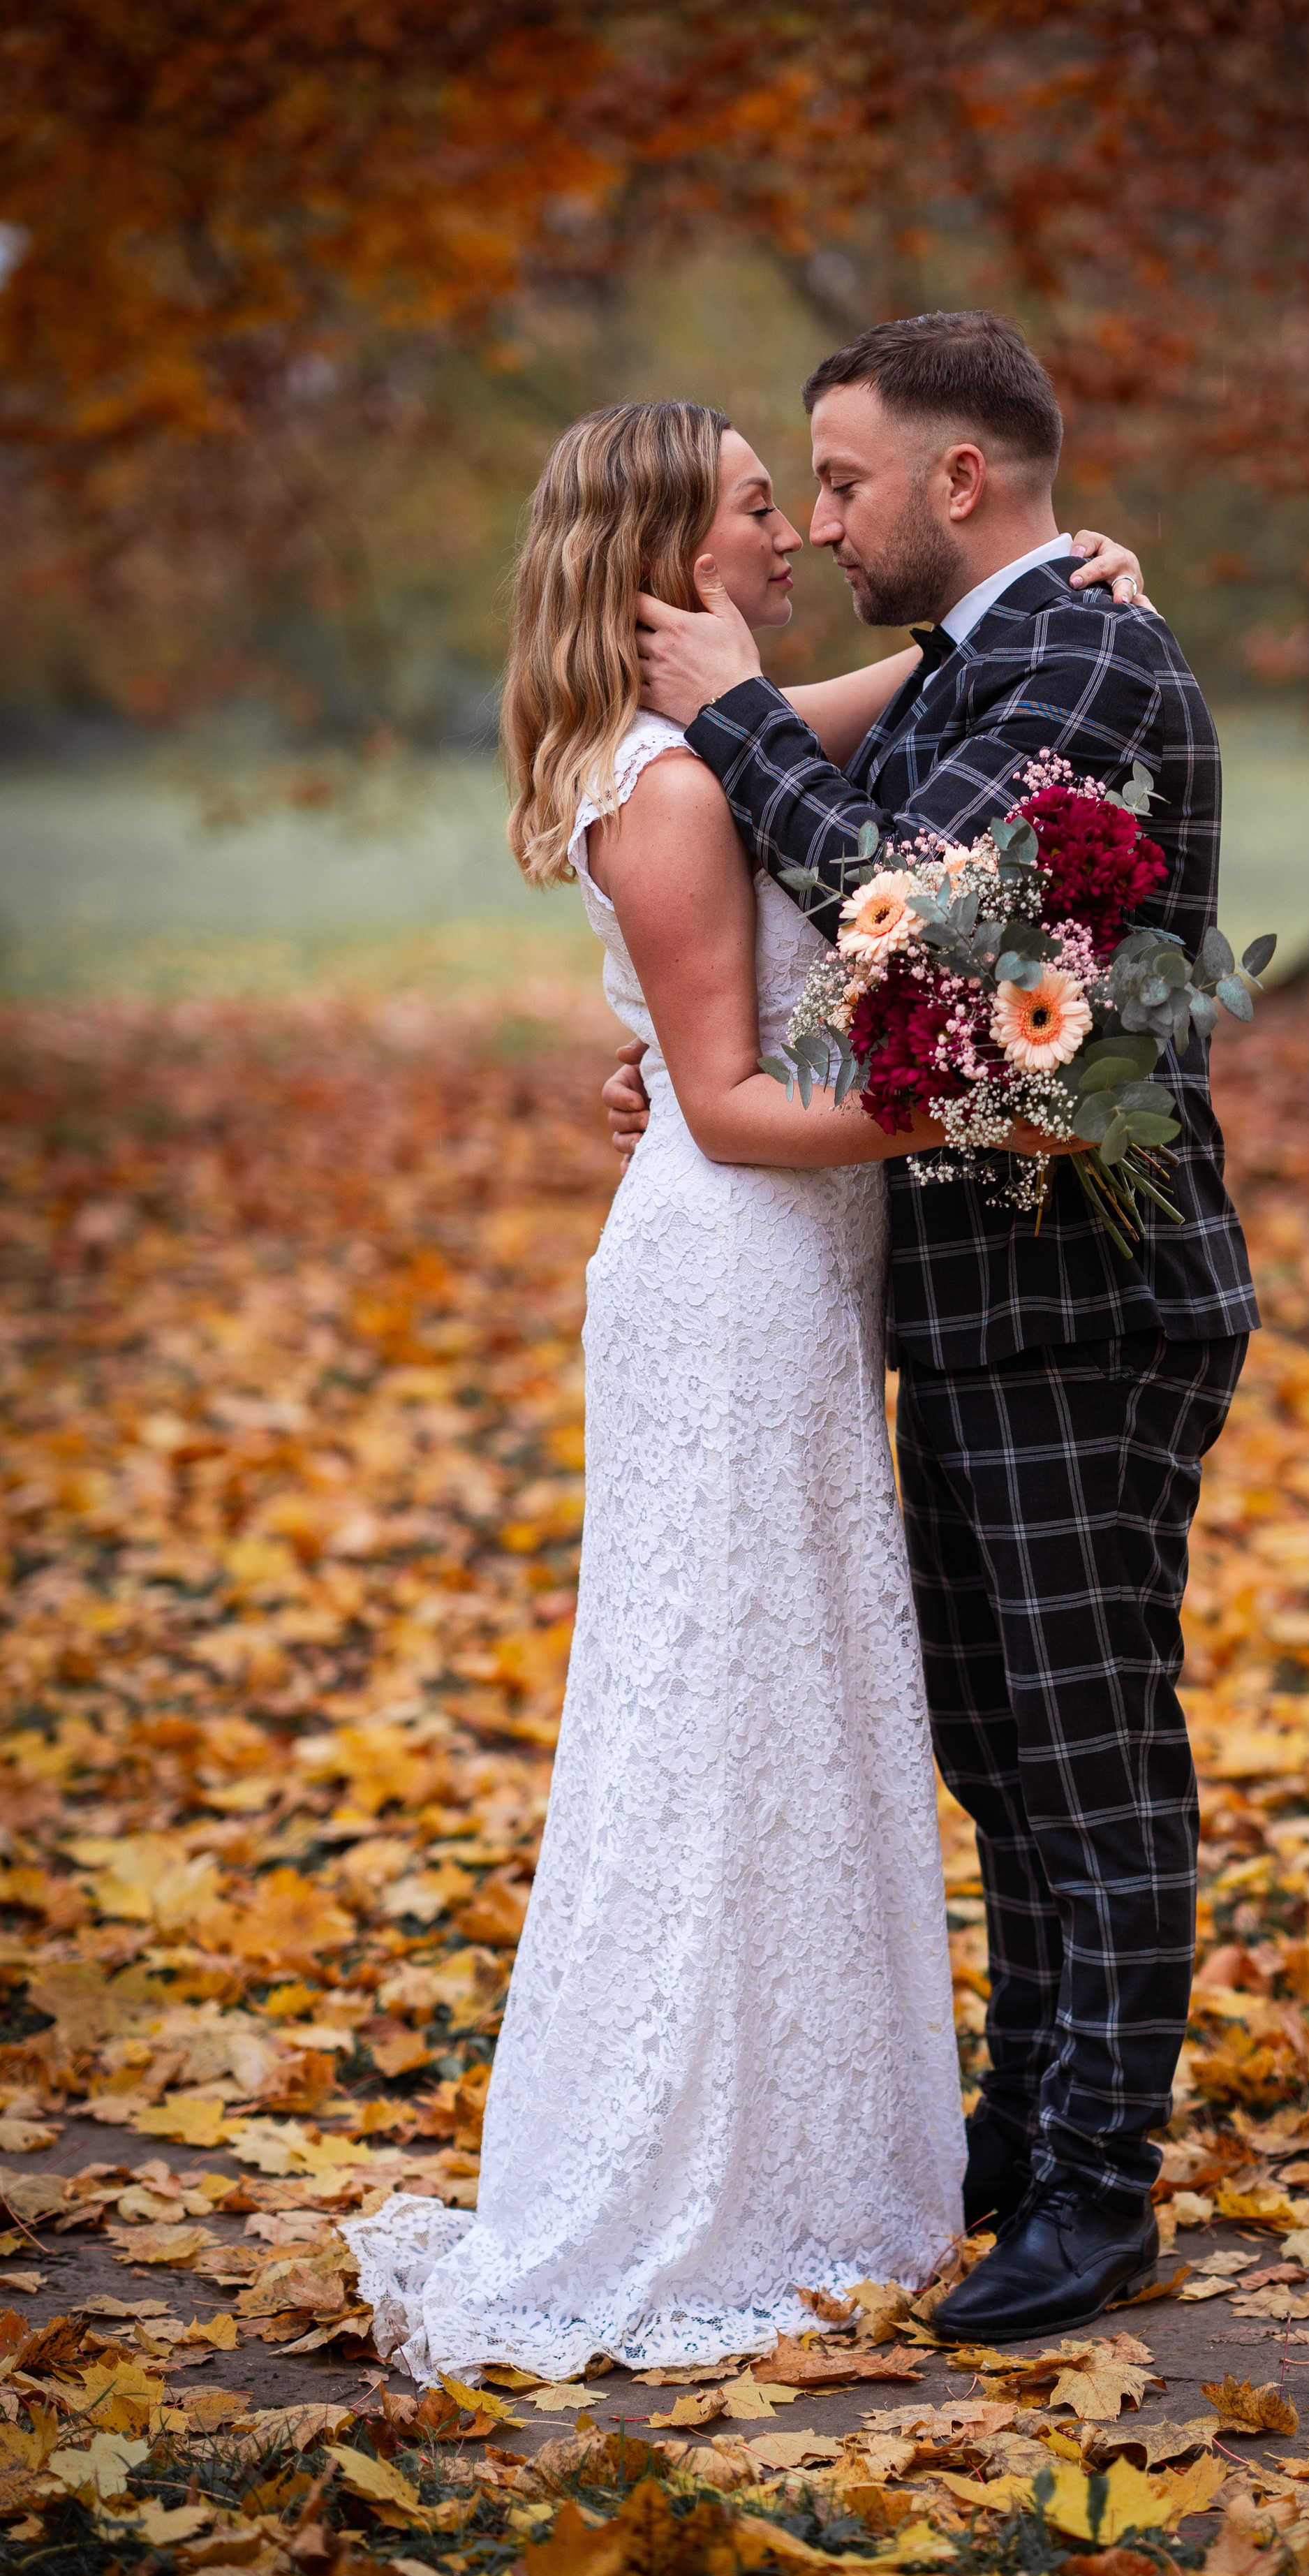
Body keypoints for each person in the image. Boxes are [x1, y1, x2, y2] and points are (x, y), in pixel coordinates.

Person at [343, 397, 1151, 2378]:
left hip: (784, 1288)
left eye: (798, 497)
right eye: (756, 509)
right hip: (738, 1284)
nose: (792, 531)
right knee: (723, 1718)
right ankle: (686, 2168)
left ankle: (802, 2147)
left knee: (788, 1709)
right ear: (671, 557)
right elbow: (723, 1106)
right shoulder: (685, 789)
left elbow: (891, 685)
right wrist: (989, 1094)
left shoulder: (719, 744)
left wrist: (1074, 587)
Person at [612, 313, 1259, 2346]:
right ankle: (1020, 2135)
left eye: (845, 481)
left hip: (1087, 1300)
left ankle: (1097, 2190)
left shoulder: (1078, 655)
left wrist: (729, 712)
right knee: (1001, 1753)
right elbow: (854, 961)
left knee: (1090, 1760)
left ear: (958, 481)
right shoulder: (1006, 652)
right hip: (972, 1307)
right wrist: (685, 1054)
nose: (820, 520)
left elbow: (927, 922)